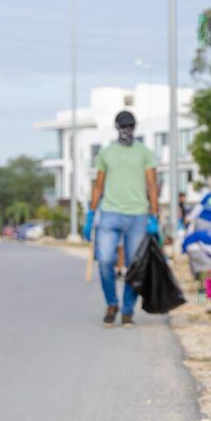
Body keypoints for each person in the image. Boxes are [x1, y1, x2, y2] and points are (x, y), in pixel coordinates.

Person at [83, 110, 160, 327]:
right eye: (123, 126)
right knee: (106, 260)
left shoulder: (145, 153)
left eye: (130, 126)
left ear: (134, 128)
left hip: (137, 214)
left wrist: (154, 216)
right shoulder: (106, 153)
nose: (127, 130)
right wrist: (91, 214)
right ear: (117, 128)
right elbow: (98, 185)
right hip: (110, 213)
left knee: (134, 266)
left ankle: (127, 310)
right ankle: (111, 303)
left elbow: (152, 185)